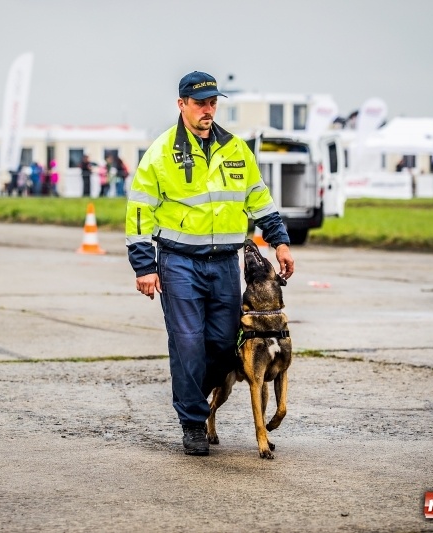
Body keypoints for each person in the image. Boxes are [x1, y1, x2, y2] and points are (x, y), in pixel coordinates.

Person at [125, 71, 295, 456]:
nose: (208, 109)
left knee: (221, 345)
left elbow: (259, 199)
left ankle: (193, 401)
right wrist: (143, 266)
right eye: (200, 102)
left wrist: (280, 241)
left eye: (213, 102)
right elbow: (139, 212)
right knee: (187, 344)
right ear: (181, 104)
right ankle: (192, 423)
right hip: (178, 263)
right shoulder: (161, 152)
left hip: (223, 266)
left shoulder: (235, 149)